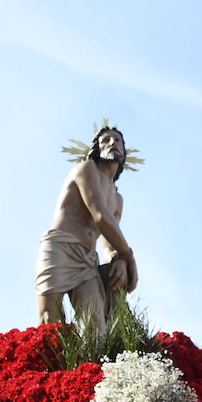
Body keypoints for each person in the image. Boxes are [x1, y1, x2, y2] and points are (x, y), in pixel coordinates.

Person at [36, 124, 139, 325]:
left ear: (124, 152)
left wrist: (118, 259)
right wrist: (129, 256)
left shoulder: (118, 199)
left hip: (87, 261)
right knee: (50, 319)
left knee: (95, 322)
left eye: (117, 140)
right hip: (60, 248)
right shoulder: (86, 169)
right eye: (105, 141)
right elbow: (100, 216)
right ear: (97, 149)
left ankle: (88, 359)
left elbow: (109, 242)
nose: (112, 144)